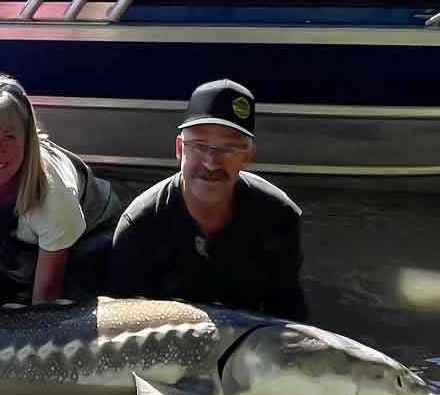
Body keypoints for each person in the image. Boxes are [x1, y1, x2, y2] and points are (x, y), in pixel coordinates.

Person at [105, 79, 307, 321]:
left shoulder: (279, 216)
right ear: (180, 149)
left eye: (229, 148)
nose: (211, 162)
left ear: (248, 156)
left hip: (242, 350)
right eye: (199, 146)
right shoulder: (139, 225)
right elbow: (120, 326)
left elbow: (288, 319)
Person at [0, 74, 123, 308]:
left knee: (67, 304)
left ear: (28, 140)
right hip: (20, 247)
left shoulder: (53, 193)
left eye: (9, 137)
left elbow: (45, 300)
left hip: (88, 236)